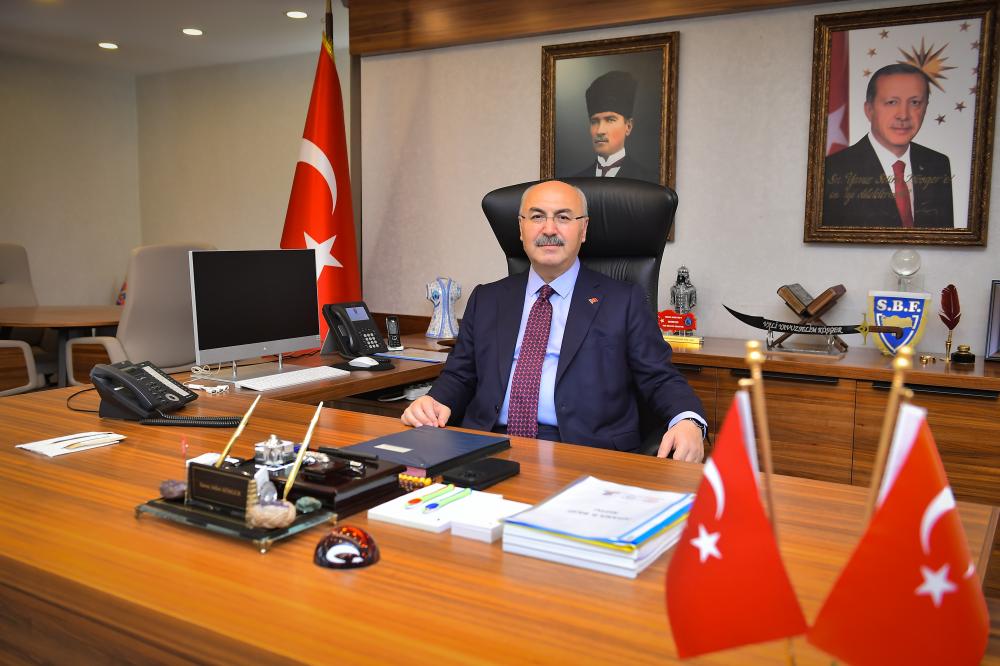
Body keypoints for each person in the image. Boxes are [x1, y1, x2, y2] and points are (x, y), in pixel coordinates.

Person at [401, 180, 706, 462]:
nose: (549, 229)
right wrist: (434, 401)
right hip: (486, 446)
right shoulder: (487, 298)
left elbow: (659, 377)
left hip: (582, 452)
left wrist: (688, 421)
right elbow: (460, 375)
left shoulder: (623, 301)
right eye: (536, 217)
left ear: (583, 229)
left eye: (563, 217)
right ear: (521, 229)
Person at [823, 63, 953, 228]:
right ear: (869, 110)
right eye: (892, 102)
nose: (903, 115)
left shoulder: (938, 164)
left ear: (925, 108)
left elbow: (944, 238)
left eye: (915, 102)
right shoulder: (832, 169)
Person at [572, 71, 659, 183]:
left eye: (610, 120)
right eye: (594, 121)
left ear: (628, 126)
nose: (600, 131)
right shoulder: (576, 183)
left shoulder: (648, 182)